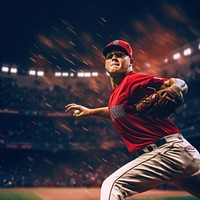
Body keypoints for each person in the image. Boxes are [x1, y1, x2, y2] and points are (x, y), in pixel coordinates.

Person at [65, 40, 200, 200]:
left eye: (120, 55)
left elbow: (177, 82)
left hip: (166, 152)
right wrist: (90, 112)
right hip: (183, 153)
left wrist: (176, 88)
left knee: (112, 185)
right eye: (110, 56)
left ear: (131, 62)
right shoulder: (116, 93)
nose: (114, 58)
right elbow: (116, 111)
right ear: (105, 64)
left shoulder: (132, 80)